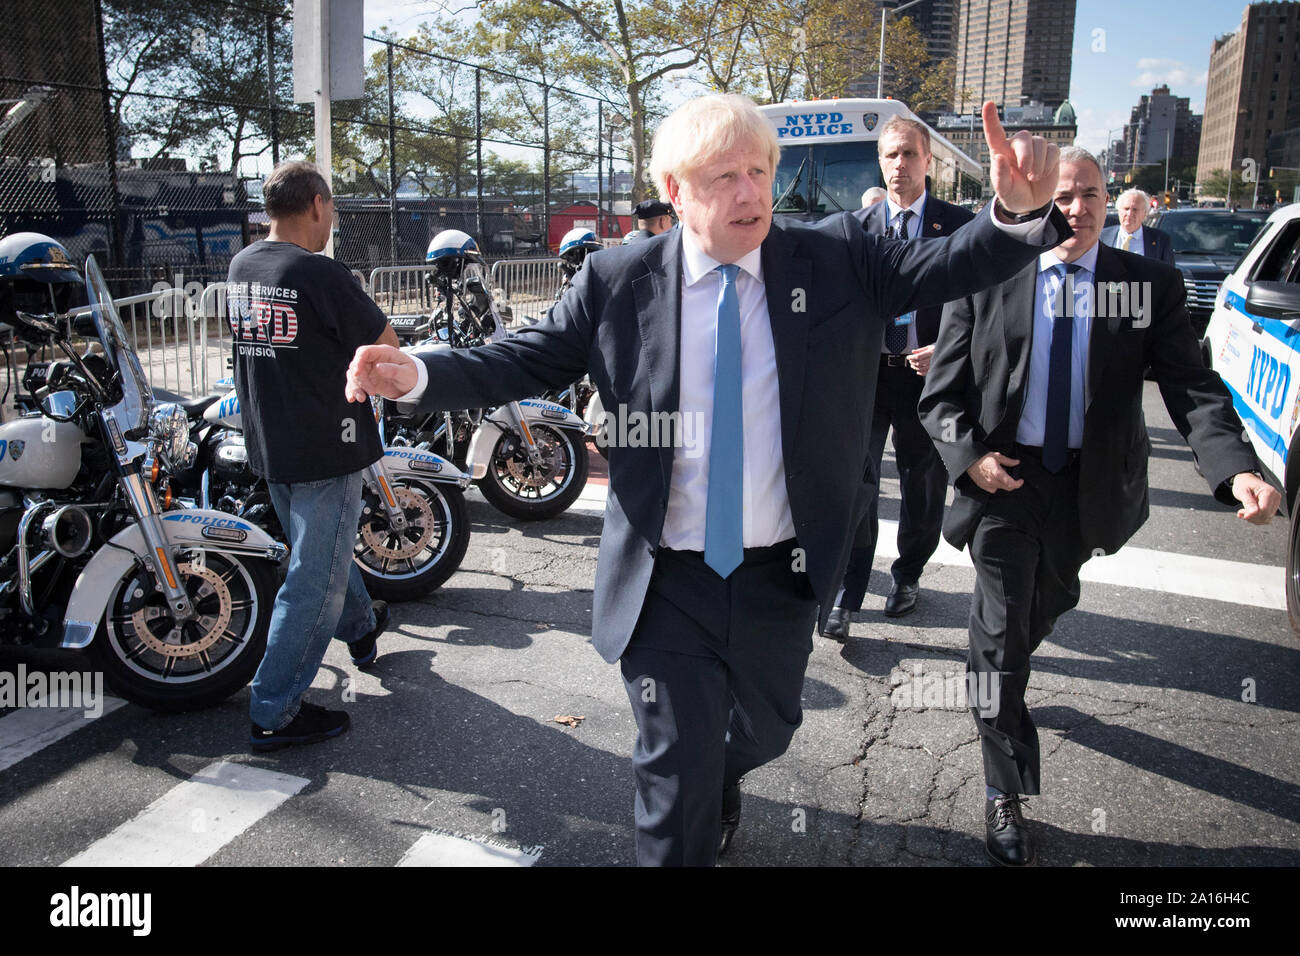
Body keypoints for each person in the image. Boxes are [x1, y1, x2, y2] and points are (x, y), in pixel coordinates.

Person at [347, 94, 1068, 866]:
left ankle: (719, 776)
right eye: (724, 175)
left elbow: (950, 264)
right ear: (674, 187)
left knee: (769, 729)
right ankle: (696, 790)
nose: (750, 192)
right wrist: (417, 371)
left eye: (759, 171)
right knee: (672, 779)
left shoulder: (837, 261)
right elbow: (520, 357)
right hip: (666, 584)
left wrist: (1013, 215)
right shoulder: (616, 279)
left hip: (782, 573)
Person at [917, 147, 1280, 867]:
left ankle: (1005, 681)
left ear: (1108, 200)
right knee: (1000, 619)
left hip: (1086, 491)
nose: (1074, 209)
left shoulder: (1145, 285)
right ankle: (1004, 787)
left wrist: (1235, 467)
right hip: (1003, 482)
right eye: (1059, 196)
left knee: (1037, 613)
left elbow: (1191, 386)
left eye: (1087, 194)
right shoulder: (991, 275)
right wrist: (972, 459)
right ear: (1037, 204)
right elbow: (941, 396)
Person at [226, 160, 397, 754]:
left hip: (269, 441)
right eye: (334, 210)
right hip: (328, 444)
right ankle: (273, 711)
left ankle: (363, 629)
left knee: (319, 555)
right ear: (318, 204)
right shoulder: (320, 274)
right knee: (313, 579)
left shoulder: (242, 265)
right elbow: (387, 349)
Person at [822, 118, 975, 641]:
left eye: (909, 154)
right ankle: (848, 589)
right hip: (866, 378)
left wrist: (949, 348)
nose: (899, 166)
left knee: (922, 486)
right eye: (890, 156)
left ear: (928, 160)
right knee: (856, 483)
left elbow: (983, 301)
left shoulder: (957, 226)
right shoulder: (857, 229)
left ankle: (907, 575)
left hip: (927, 383)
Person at [1100, 188, 1175, 265]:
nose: (1129, 214)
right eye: (1126, 209)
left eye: (1135, 210)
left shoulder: (1160, 240)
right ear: (1119, 211)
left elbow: (1168, 274)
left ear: (1145, 213)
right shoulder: (1102, 237)